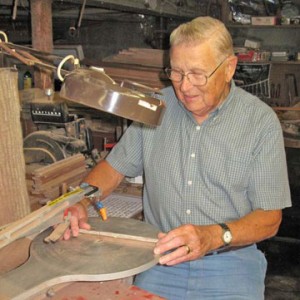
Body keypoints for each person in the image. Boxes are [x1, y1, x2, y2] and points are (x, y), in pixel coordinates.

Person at [64, 16, 292, 299]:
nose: (184, 87)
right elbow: (113, 168)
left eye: (198, 74)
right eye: (176, 73)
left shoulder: (259, 122)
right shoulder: (155, 108)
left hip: (230, 263)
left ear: (229, 68)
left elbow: (270, 218)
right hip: (161, 256)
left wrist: (211, 236)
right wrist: (80, 201)